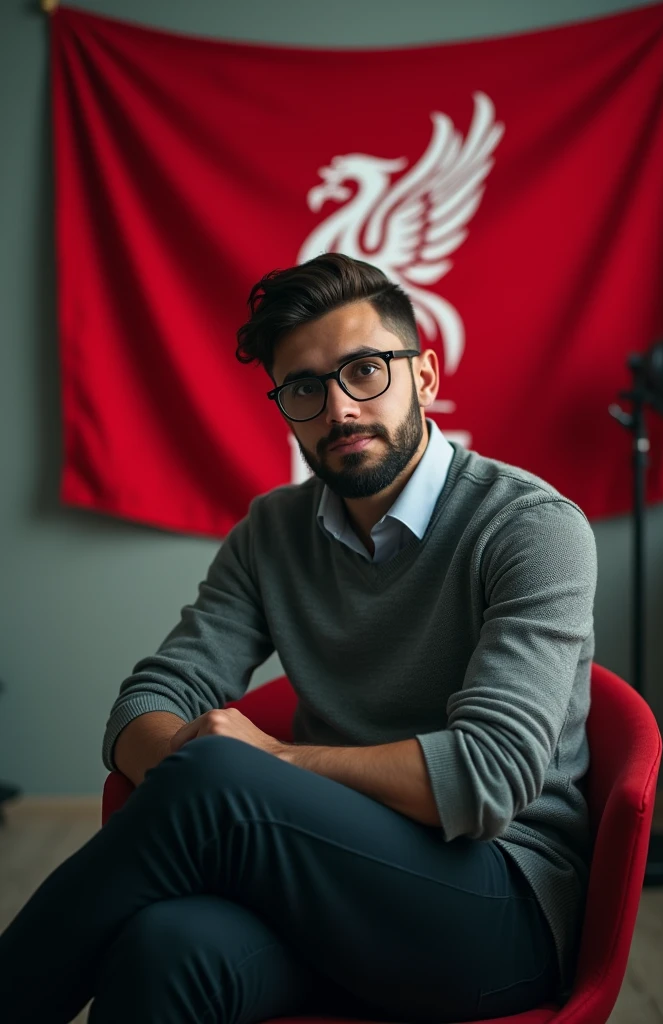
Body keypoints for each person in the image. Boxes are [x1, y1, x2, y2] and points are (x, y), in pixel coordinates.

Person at [0, 253, 597, 1024]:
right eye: (306, 388)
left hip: (496, 909)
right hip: (325, 884)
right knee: (161, 945)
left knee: (218, 777)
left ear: (425, 376)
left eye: (365, 371)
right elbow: (147, 703)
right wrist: (202, 764)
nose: (339, 409)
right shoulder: (272, 533)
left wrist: (272, 764)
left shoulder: (532, 529)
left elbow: (487, 778)